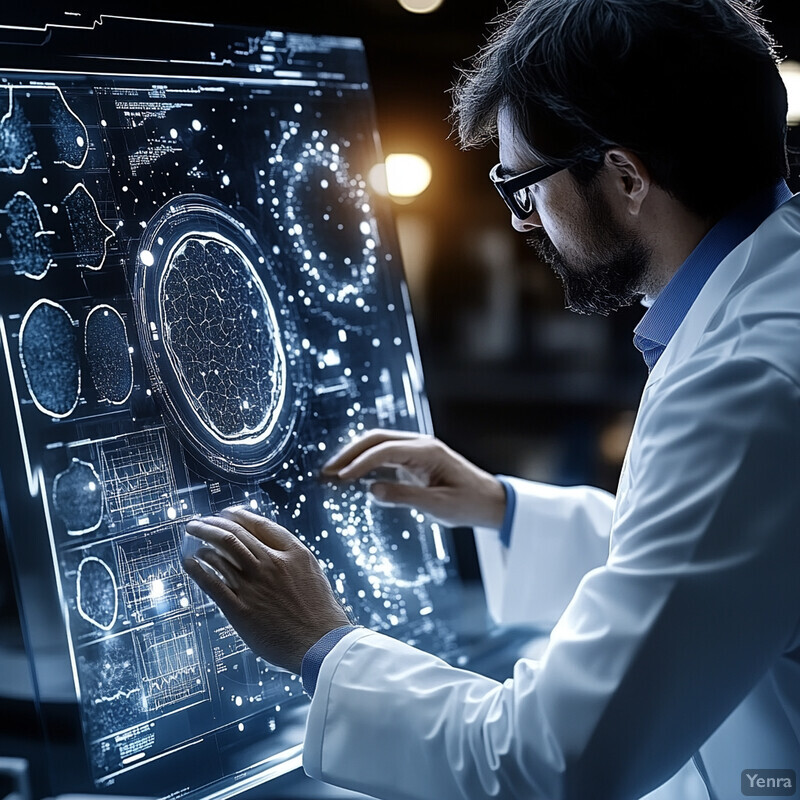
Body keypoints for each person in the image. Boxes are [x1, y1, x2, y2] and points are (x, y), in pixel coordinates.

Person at [181, 0, 800, 797]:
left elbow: (553, 761)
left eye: (524, 186)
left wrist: (320, 641)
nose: (523, 223)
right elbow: (728, 560)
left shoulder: (742, 380)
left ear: (624, 176)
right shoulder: (768, 299)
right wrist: (503, 508)